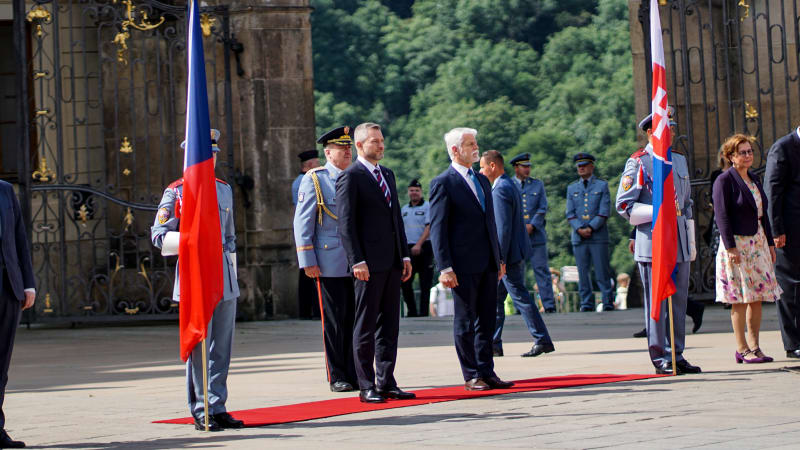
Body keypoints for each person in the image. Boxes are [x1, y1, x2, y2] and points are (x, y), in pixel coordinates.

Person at [151, 129, 244, 431]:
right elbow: (158, 235)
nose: (210, 160)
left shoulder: (223, 189)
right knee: (199, 346)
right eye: (205, 156)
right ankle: (201, 407)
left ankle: (218, 405)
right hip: (194, 276)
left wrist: (231, 276)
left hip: (222, 275)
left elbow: (229, 237)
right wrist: (192, 241)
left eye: (213, 155)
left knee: (222, 348)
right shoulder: (177, 191)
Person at [335, 122, 415, 404]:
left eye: (381, 140)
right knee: (366, 325)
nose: (380, 145)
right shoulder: (351, 177)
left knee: (390, 325)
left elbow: (396, 219)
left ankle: (387, 381)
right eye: (374, 141)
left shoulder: (388, 175)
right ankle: (366, 384)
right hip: (367, 265)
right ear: (359, 145)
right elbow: (346, 225)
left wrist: (404, 255)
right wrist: (356, 259)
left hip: (392, 262)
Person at [615, 114, 701, 375]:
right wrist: (658, 211)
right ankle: (660, 355)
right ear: (652, 132)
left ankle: (677, 352)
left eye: (673, 127)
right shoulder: (639, 162)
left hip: (680, 241)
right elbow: (624, 204)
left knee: (679, 301)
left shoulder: (680, 161)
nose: (672, 132)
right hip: (653, 242)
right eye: (667, 127)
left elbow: (686, 204)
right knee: (658, 302)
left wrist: (691, 238)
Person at [429, 127, 513, 391]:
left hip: (487, 261)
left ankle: (487, 370)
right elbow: (438, 228)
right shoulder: (443, 182)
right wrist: (444, 266)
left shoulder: (481, 180)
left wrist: (498, 258)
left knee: (488, 318)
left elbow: (490, 222)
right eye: (469, 144)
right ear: (455, 150)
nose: (475, 148)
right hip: (461, 265)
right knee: (465, 320)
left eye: (475, 143)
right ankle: (471, 373)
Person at [293, 126, 359, 392]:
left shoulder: (357, 176)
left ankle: (356, 371)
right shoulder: (316, 179)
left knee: (355, 320)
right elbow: (303, 220)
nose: (347, 152)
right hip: (329, 260)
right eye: (341, 149)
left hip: (357, 262)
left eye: (349, 148)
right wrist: (307, 258)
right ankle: (338, 374)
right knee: (334, 321)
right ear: (328, 153)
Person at [479, 150, 555, 358]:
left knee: (520, 297)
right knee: (496, 298)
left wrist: (499, 259)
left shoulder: (500, 189)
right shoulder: (507, 184)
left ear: (492, 166)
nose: (480, 170)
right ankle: (494, 343)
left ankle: (542, 339)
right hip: (512, 253)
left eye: (482, 166)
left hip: (508, 256)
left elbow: (502, 229)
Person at [713, 134, 781, 364]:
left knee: (757, 295)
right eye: (742, 152)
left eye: (750, 151)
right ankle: (742, 349)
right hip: (737, 244)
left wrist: (770, 243)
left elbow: (763, 214)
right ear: (731, 156)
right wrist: (730, 247)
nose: (748, 155)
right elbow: (721, 216)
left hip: (757, 242)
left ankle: (755, 346)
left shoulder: (754, 179)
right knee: (739, 297)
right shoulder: (724, 181)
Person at [0, 180, 36, 449]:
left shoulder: (4, 190)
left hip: (7, 288)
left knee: (1, 365)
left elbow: (20, 239)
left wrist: (28, 283)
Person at [764, 126, 800, 359]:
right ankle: (793, 343)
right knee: (790, 286)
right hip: (790, 231)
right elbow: (773, 192)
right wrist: (775, 230)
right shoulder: (783, 148)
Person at [565, 153, 614, 312]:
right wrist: (579, 228)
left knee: (602, 270)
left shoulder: (602, 186)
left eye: (584, 165)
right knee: (582, 272)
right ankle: (586, 303)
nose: (581, 168)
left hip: (598, 235)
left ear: (592, 166)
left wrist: (591, 227)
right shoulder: (572, 188)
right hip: (579, 237)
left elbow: (604, 211)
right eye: (579, 166)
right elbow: (570, 213)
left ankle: (607, 301)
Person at [509, 153, 557, 313]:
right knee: (518, 273)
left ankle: (549, 305)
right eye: (524, 166)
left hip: (536, 235)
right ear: (516, 168)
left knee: (542, 271)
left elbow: (542, 207)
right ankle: (520, 307)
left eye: (529, 166)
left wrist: (533, 225)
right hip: (517, 237)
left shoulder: (537, 185)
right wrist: (521, 227)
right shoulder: (508, 184)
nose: (527, 169)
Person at [293, 149, 322, 320]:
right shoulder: (305, 181)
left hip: (309, 230)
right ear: (309, 165)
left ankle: (307, 310)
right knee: (308, 271)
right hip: (310, 231)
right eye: (317, 163)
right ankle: (309, 310)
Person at [400, 178, 433, 317]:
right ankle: (412, 312)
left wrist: (419, 244)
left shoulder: (427, 206)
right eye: (412, 190)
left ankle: (424, 313)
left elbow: (429, 226)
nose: (414, 193)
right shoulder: (404, 209)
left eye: (417, 191)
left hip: (424, 247)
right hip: (408, 249)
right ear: (408, 192)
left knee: (425, 283)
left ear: (421, 192)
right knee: (406, 281)